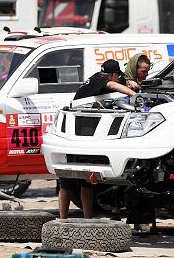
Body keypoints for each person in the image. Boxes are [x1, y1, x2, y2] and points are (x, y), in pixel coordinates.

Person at [58, 59, 136, 219]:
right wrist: (134, 94)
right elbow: (113, 86)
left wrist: (129, 82)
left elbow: (118, 84)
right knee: (69, 182)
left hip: (77, 135)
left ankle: (80, 220)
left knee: (82, 181)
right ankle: (64, 220)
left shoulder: (95, 78)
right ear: (112, 75)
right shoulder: (100, 79)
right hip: (76, 137)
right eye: (117, 76)